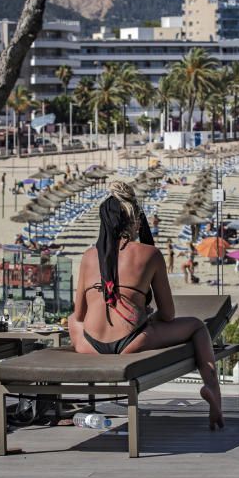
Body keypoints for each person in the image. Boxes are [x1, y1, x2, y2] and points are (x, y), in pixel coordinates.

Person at [67, 181, 223, 429]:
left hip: (90, 345)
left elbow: (80, 313)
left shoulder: (88, 255)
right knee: (196, 326)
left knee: (71, 321)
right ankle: (212, 386)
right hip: (132, 342)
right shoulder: (149, 253)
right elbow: (169, 314)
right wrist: (147, 317)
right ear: (133, 221)